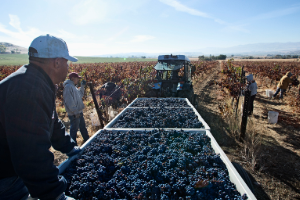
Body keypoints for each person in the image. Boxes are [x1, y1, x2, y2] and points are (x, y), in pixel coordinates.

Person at [0, 34, 80, 200]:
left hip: (12, 168)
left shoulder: (37, 81)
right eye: (66, 61)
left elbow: (53, 122)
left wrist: (70, 148)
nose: (68, 66)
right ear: (56, 62)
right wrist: (55, 194)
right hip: (5, 177)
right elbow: (30, 150)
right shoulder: (27, 90)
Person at [63, 72, 89, 145]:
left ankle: (87, 140)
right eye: (77, 78)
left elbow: (80, 95)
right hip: (74, 113)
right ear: (72, 78)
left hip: (78, 112)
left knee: (82, 127)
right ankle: (73, 145)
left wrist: (82, 86)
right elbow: (69, 101)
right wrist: (75, 112)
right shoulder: (68, 87)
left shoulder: (73, 86)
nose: (78, 80)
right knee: (74, 130)